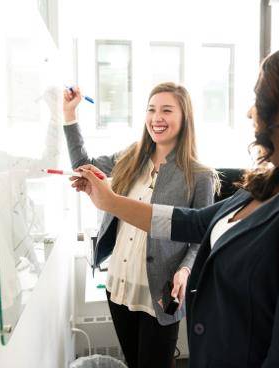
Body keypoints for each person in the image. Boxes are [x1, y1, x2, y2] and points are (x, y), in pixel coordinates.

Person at [70, 42, 279, 367]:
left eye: (259, 98)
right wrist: (111, 202)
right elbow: (192, 222)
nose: (250, 112)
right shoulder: (267, 184)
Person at [63, 82, 216, 368]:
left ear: (184, 118)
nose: (157, 118)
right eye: (151, 110)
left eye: (167, 110)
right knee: (135, 362)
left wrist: (185, 270)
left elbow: (201, 236)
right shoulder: (130, 158)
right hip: (119, 283)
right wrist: (69, 114)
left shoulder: (200, 175)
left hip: (160, 291)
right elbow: (82, 164)